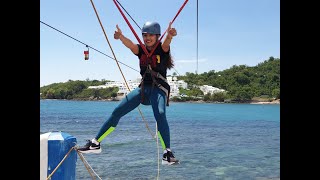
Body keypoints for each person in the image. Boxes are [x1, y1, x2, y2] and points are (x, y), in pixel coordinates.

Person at [77, 21, 179, 165]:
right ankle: (95, 143)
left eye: (151, 35)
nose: (147, 38)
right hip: (143, 89)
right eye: (145, 35)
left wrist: (170, 35)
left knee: (160, 114)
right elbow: (131, 45)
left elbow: (167, 43)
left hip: (158, 89)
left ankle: (167, 153)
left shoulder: (162, 49)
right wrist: (121, 37)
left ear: (157, 36)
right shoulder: (141, 50)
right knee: (117, 111)